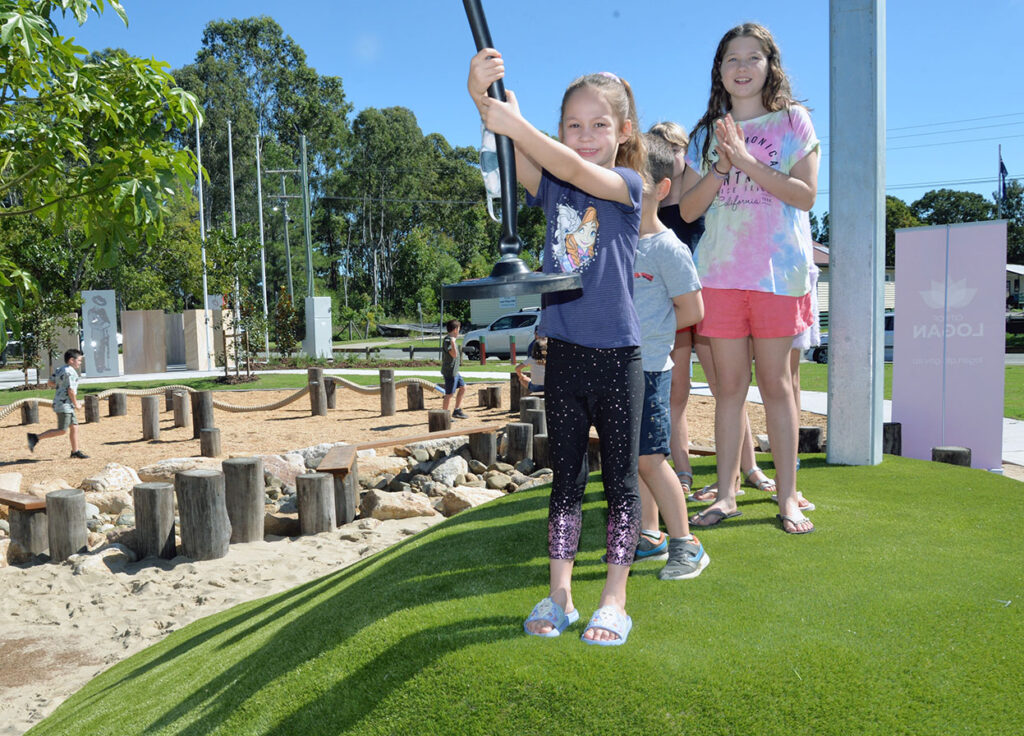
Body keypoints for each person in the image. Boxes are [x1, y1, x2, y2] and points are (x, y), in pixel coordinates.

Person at [470, 51, 645, 644]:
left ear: (624, 133)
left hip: (619, 358)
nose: (586, 136)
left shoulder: (626, 186)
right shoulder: (552, 191)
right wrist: (482, 97)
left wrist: (522, 125)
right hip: (564, 355)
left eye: (600, 125)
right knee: (564, 479)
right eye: (574, 124)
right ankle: (560, 596)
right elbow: (512, 148)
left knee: (620, 483)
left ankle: (615, 600)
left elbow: (565, 161)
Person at [679, 23, 819, 535]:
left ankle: (787, 499)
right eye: (731, 58)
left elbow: (805, 196)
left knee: (778, 387)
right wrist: (720, 165)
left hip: (778, 275)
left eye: (752, 57)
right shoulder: (704, 133)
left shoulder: (793, 122)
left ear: (769, 65)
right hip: (717, 275)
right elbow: (691, 209)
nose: (742, 67)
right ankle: (728, 495)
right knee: (729, 391)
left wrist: (746, 161)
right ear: (719, 69)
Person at [630, 133, 708, 580]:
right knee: (634, 457)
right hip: (623, 368)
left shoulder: (667, 248)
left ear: (661, 189)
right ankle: (651, 535)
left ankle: (687, 544)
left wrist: (648, 334)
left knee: (650, 459)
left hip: (652, 368)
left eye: (635, 180)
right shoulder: (618, 242)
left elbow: (693, 310)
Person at [27, 348, 89, 459]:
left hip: (63, 403)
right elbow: (71, 390)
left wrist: (60, 387)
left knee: (74, 427)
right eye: (79, 360)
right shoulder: (70, 373)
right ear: (71, 360)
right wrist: (76, 404)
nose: (80, 363)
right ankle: (35, 438)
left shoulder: (60, 369)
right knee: (62, 430)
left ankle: (75, 451)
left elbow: (50, 383)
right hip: (65, 405)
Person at [441, 319, 467, 419]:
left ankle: (457, 410)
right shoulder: (448, 341)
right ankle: (444, 415)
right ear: (455, 329)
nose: (459, 331)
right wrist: (452, 341)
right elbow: (454, 354)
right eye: (459, 329)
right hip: (450, 372)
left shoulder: (451, 340)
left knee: (463, 387)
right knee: (449, 394)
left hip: (455, 371)